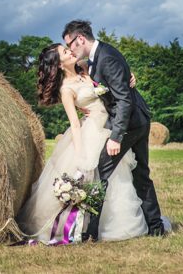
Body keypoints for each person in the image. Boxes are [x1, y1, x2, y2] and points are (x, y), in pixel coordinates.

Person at [17, 42, 149, 243]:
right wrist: (80, 155)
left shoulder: (87, 66)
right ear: (59, 64)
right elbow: (75, 125)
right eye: (64, 52)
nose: (70, 51)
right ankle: (86, 227)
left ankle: (114, 223)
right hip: (91, 132)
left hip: (112, 126)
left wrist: (129, 76)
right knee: (94, 176)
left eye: (67, 48)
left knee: (118, 178)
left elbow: (114, 71)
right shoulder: (66, 89)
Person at [62, 20, 165, 240]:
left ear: (80, 39)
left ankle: (90, 233)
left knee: (101, 171)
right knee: (141, 174)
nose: (70, 50)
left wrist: (116, 137)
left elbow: (124, 100)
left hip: (130, 124)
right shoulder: (96, 58)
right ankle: (156, 228)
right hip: (137, 120)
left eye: (69, 45)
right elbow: (115, 88)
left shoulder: (106, 57)